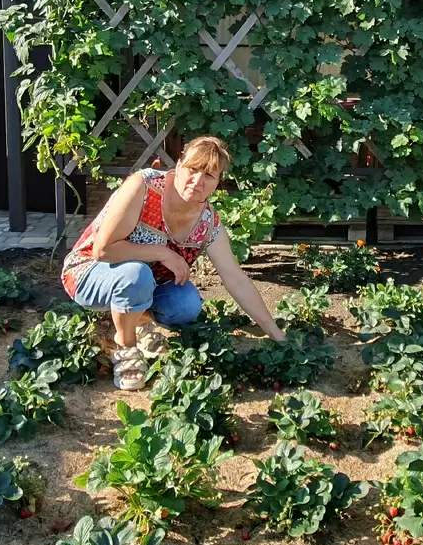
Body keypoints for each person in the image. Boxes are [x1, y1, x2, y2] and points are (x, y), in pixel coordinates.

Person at [61, 135, 286, 390]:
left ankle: (138, 322)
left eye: (209, 176)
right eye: (193, 169)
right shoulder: (143, 187)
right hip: (89, 272)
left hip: (142, 284)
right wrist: (162, 252)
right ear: (179, 165)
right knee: (136, 274)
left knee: (187, 304)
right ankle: (126, 349)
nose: (198, 181)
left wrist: (276, 334)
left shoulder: (207, 223)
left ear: (217, 183)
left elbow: (236, 279)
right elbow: (103, 251)